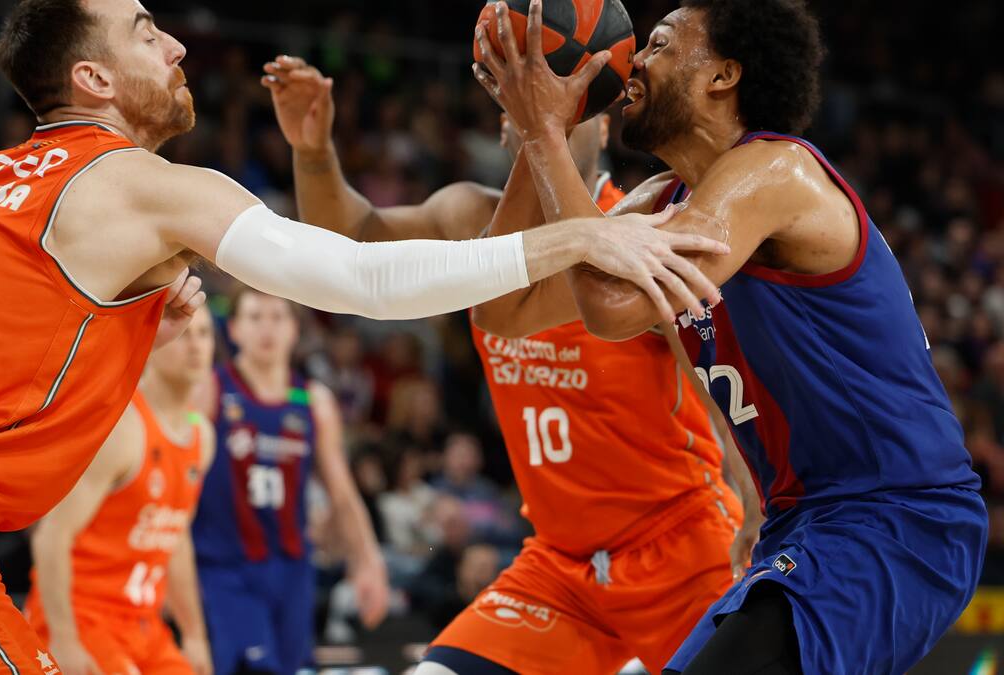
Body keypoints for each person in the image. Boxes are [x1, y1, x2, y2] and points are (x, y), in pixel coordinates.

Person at [0, 0, 731, 670]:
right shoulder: (146, 185)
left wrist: (121, 312)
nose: (173, 41)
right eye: (141, 29)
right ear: (92, 79)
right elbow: (360, 273)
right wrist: (576, 235)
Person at [473, 0, 987, 673]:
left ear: (723, 75)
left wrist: (543, 132)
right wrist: (545, 131)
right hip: (804, 522)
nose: (634, 61)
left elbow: (613, 305)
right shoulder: (661, 204)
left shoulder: (778, 173)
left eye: (657, 44)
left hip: (899, 518)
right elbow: (502, 310)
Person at [263, 54, 762, 674]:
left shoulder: (637, 230)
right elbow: (351, 244)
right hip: (560, 565)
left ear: (603, 129)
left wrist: (756, 498)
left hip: (679, 547)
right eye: (530, 117)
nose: (548, 126)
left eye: (570, 115)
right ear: (510, 131)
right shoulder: (472, 220)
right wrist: (313, 154)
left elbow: (717, 382)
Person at [192, 287, 390, 675]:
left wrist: (368, 562)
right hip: (225, 569)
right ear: (233, 329)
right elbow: (183, 481)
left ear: (295, 330)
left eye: (278, 317)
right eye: (255, 317)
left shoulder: (314, 401)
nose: (267, 328)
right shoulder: (212, 389)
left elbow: (342, 492)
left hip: (293, 572)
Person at [26, 310, 216, 675]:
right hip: (82, 615)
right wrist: (64, 639)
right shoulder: (125, 427)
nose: (196, 345)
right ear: (151, 341)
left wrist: (194, 635)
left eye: (205, 334)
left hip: (144, 624)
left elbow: (175, 540)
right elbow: (52, 535)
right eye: (186, 333)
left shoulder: (202, 437)